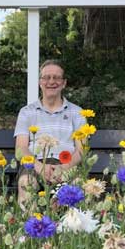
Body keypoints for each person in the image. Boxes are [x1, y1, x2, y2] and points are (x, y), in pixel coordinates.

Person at [14, 60, 86, 204]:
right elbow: (21, 148)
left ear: (64, 83)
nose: (51, 81)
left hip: (67, 164)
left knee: (77, 183)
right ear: (40, 82)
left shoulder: (78, 113)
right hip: (34, 164)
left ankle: (69, 226)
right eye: (46, 77)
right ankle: (28, 225)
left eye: (56, 77)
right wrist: (40, 167)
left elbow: (81, 149)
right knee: (25, 182)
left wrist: (62, 168)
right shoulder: (26, 112)